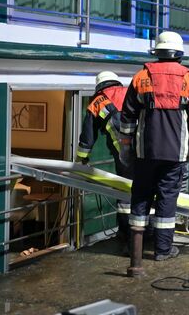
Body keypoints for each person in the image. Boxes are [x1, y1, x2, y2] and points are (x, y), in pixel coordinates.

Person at [119, 31, 189, 277]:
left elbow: (128, 117)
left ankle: (134, 247)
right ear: (178, 54)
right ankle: (162, 250)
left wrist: (126, 146)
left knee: (141, 197)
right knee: (167, 200)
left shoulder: (141, 77)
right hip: (175, 154)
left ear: (157, 52)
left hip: (144, 153)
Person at [76, 71, 132, 254]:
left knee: (125, 196)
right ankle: (148, 234)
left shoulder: (97, 102)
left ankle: (126, 236)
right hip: (149, 151)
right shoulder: (131, 92)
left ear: (99, 86)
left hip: (124, 155)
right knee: (146, 192)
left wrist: (82, 159)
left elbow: (88, 136)